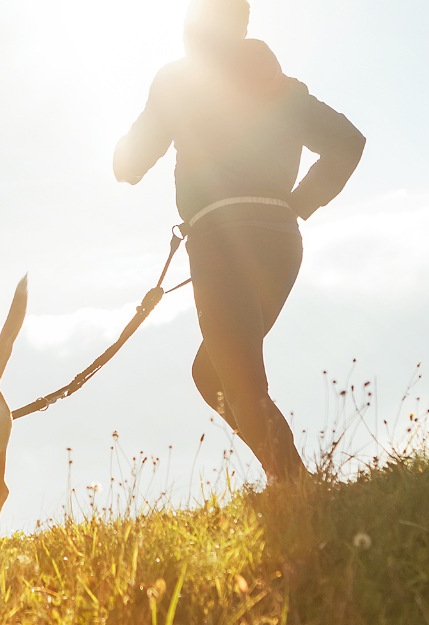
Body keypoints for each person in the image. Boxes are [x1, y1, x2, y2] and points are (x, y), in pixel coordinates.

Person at [114, 0, 364, 484]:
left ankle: (296, 488)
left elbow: (129, 165)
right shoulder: (283, 87)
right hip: (278, 240)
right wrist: (300, 202)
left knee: (236, 375)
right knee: (214, 374)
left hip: (221, 241)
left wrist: (130, 148)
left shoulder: (178, 81)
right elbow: (349, 142)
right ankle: (290, 481)